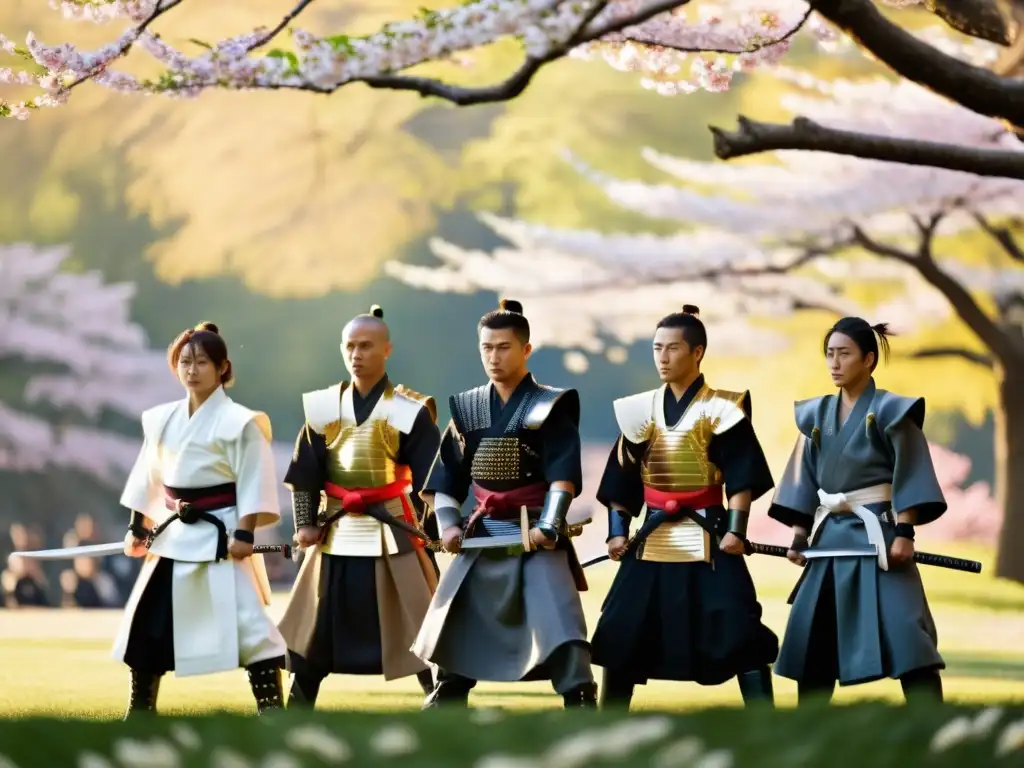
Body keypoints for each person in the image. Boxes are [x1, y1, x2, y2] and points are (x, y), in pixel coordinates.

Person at [589, 305, 779, 709]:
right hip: (652, 533)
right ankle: (607, 719)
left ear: (697, 353)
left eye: (673, 348)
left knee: (738, 622)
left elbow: (742, 475)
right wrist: (617, 531)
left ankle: (765, 718)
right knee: (622, 622)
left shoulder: (724, 407)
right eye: (657, 348)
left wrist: (736, 530)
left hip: (710, 532)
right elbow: (622, 477)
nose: (663, 357)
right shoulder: (639, 410)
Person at [412, 299, 597, 709]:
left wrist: (548, 526)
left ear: (526, 349)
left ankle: (579, 694)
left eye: (503, 347)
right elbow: (446, 478)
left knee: (558, 618)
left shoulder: (551, 404)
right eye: (486, 347)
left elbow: (562, 476)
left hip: (535, 533)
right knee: (456, 614)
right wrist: (448, 526)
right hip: (481, 532)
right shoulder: (468, 407)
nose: (493, 357)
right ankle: (450, 692)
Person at [768, 316, 947, 704]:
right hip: (830, 537)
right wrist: (800, 536)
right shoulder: (815, 415)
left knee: (906, 632)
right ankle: (809, 730)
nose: (834, 363)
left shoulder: (891, 412)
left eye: (844, 354)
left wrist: (905, 532)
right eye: (830, 354)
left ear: (868, 359)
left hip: (880, 537)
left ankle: (933, 723)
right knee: (812, 632)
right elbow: (802, 480)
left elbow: (911, 472)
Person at [114, 322, 287, 718]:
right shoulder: (160, 419)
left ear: (222, 368)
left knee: (249, 625)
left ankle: (271, 708)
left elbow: (252, 480)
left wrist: (245, 532)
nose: (192, 370)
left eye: (202, 362)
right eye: (185, 362)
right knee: (146, 620)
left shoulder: (241, 421)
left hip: (221, 533)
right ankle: (141, 708)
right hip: (173, 533)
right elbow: (148, 477)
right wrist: (137, 528)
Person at [276, 305, 441, 707]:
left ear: (387, 349)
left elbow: (433, 482)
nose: (357, 354)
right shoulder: (322, 408)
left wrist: (433, 530)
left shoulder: (409, 410)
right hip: (334, 527)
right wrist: (304, 523)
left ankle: (440, 693)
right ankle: (300, 698)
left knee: (419, 614)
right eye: (350, 346)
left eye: (366, 346)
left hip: (396, 526)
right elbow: (305, 475)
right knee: (315, 617)